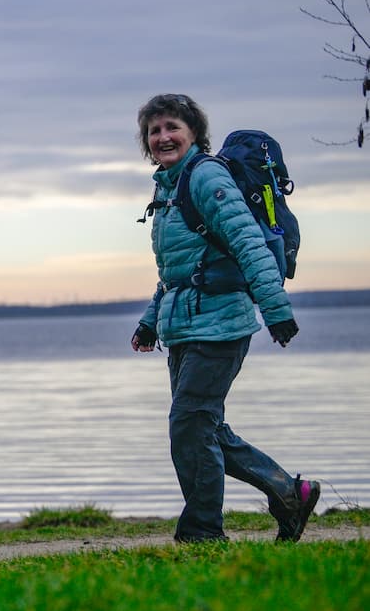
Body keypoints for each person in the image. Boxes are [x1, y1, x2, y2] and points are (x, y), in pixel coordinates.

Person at [131, 93, 319, 543]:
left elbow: (247, 240)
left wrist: (276, 310)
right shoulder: (168, 186)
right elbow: (175, 272)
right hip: (185, 323)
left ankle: (202, 534)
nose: (163, 137)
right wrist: (149, 320)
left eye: (172, 126)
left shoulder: (206, 177)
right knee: (205, 426)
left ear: (194, 133)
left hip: (221, 321)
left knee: (189, 424)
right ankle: (290, 492)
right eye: (154, 131)